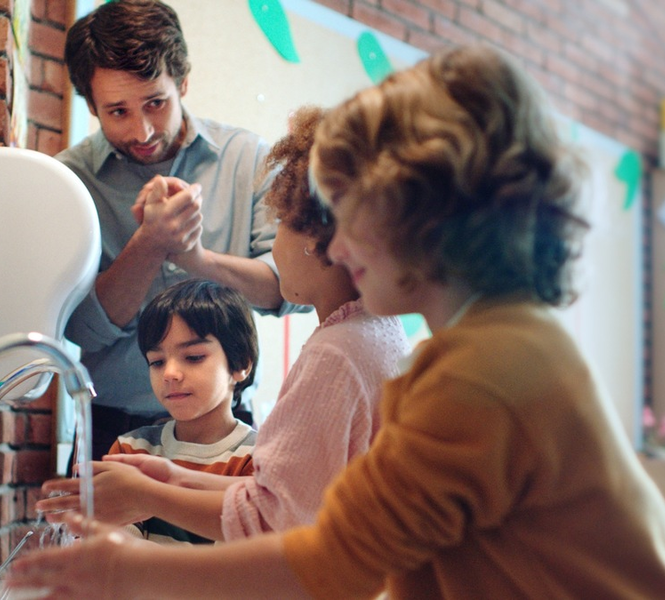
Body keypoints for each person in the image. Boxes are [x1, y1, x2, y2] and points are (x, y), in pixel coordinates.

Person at [8, 45, 665, 599]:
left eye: (351, 213)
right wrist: (167, 485)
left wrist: (131, 568)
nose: (337, 245)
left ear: (424, 216)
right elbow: (345, 528)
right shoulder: (491, 349)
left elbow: (330, 561)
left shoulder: (485, 372)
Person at [35, 106, 411, 542]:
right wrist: (170, 480)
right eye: (157, 360)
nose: (272, 243)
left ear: (319, 239)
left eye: (282, 222)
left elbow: (276, 519)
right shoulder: (377, 331)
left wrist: (154, 497)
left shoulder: (337, 354)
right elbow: (294, 495)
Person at [59, 0, 302, 460]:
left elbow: (288, 290)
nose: (143, 130)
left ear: (183, 81)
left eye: (156, 102)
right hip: (111, 431)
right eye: (118, 112)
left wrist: (196, 259)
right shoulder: (68, 183)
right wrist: (149, 245)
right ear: (91, 106)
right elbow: (81, 331)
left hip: (229, 432)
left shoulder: (247, 159)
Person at [107, 278, 258, 544]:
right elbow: (117, 552)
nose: (170, 374)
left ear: (241, 364)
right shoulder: (131, 450)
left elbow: (236, 568)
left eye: (193, 357)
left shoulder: (258, 458)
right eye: (156, 361)